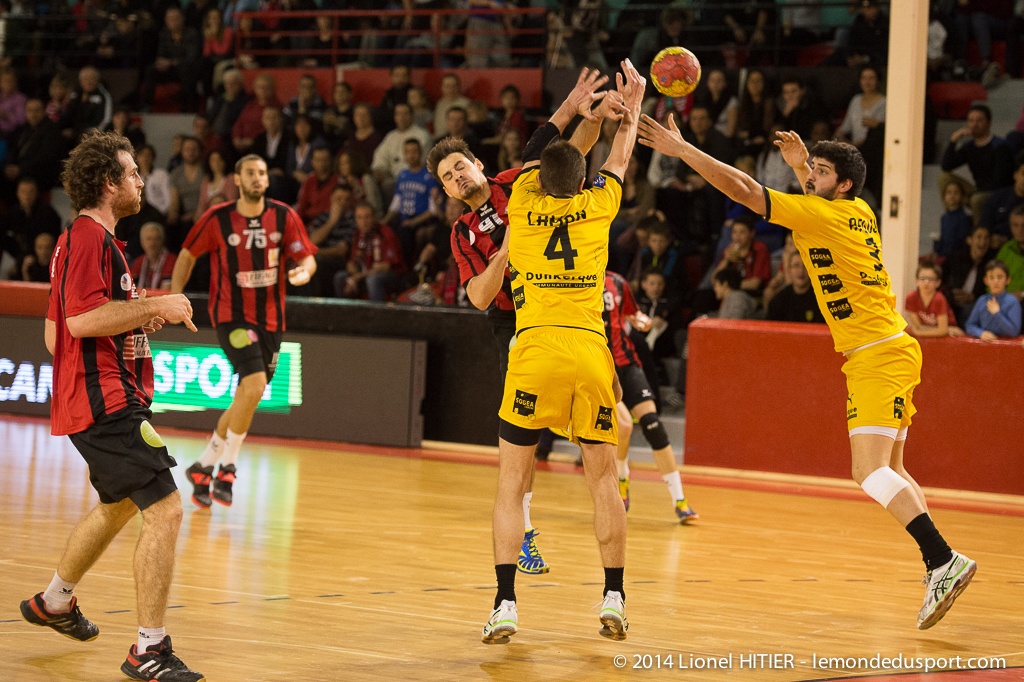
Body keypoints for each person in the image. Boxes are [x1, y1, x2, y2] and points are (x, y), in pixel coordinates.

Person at [637, 117, 977, 630]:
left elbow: (748, 190)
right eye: (810, 170)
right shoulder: (854, 209)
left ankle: (942, 559)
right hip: (889, 347)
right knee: (896, 471)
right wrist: (801, 168)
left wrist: (683, 150)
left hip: (876, 354)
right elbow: (811, 210)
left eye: (820, 172)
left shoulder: (827, 214)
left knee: (868, 472)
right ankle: (936, 565)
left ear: (841, 185)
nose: (809, 176)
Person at [426, 68, 628, 580]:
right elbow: (478, 297)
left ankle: (611, 483)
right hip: (517, 326)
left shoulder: (516, 184)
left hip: (568, 310)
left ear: (477, 163)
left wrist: (591, 117)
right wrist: (506, 254)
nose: (457, 179)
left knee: (606, 412)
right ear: (445, 190)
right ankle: (529, 531)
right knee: (524, 436)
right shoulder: (462, 233)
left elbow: (565, 157)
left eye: (460, 168)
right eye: (447, 178)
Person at [19, 130, 203, 681]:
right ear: (108, 183)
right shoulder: (88, 238)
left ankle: (55, 601)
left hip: (97, 397)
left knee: (121, 505)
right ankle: (149, 648)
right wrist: (159, 302)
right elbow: (78, 323)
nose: (142, 180)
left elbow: (59, 337)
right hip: (107, 402)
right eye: (132, 172)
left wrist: (133, 313)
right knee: (167, 510)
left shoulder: (83, 242)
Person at [478, 61, 645, 645]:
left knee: (511, 484)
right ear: (582, 181)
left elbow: (537, 149)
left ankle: (505, 604)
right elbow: (619, 159)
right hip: (588, 351)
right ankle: (615, 596)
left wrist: (576, 107)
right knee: (604, 478)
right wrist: (632, 106)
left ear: (539, 180)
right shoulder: (599, 207)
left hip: (534, 350)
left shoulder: (521, 201)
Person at [170, 154, 317, 508]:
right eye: (250, 173)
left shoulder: (284, 215)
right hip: (231, 318)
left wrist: (306, 271)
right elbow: (187, 254)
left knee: (246, 398)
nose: (257, 178)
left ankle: (203, 465)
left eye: (262, 173)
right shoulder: (218, 219)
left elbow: (307, 257)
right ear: (237, 179)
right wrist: (176, 296)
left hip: (271, 322)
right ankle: (229, 468)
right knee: (253, 385)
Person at [603, 270, 698, 522]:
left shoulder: (617, 282)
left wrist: (641, 320)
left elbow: (632, 314)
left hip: (627, 362)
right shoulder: (574, 281)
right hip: (599, 368)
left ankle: (680, 500)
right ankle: (622, 480)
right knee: (623, 427)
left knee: (653, 424)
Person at [964, 259, 1022, 340]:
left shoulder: (1012, 302)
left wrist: (997, 313)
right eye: (991, 277)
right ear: (986, 280)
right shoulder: (982, 300)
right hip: (986, 346)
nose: (996, 281)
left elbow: (1014, 331)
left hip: (1006, 347)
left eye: (1000, 277)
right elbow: (969, 325)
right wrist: (980, 333)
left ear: (1008, 280)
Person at [904, 262, 963, 338]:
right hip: (939, 333)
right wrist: (944, 330)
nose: (926, 282)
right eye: (922, 278)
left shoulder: (939, 299)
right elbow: (918, 326)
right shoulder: (911, 297)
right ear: (916, 281)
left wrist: (919, 333)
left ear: (938, 283)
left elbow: (942, 331)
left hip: (949, 337)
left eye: (931, 279)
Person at [766, 250, 826, 323]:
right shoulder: (778, 301)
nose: (801, 271)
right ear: (789, 270)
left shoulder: (822, 300)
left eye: (805, 266)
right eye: (796, 266)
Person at [131, 222, 178, 291]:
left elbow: (166, 291)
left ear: (162, 240)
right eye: (148, 239)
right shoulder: (138, 262)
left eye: (156, 239)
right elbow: (132, 289)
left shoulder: (172, 260)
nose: (152, 243)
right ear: (142, 242)